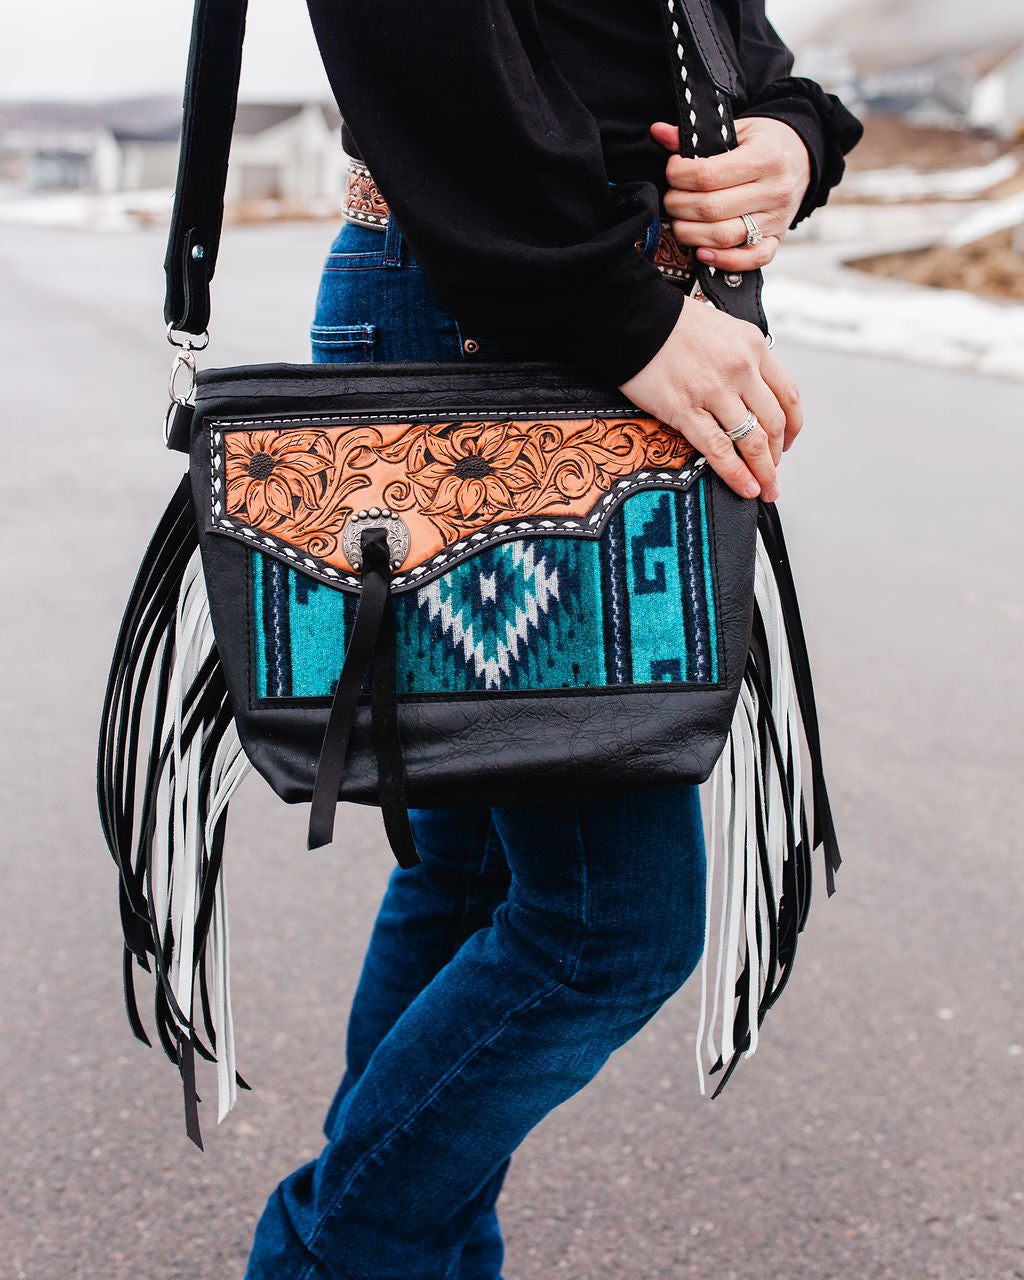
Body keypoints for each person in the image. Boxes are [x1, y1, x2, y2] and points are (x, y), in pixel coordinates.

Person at [245, 2, 862, 1276]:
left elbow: (729, 45)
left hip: (529, 307)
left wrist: (791, 143)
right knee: (608, 922)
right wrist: (618, 309)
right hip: (518, 317)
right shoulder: (578, 294)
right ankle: (328, 1257)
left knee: (472, 874)